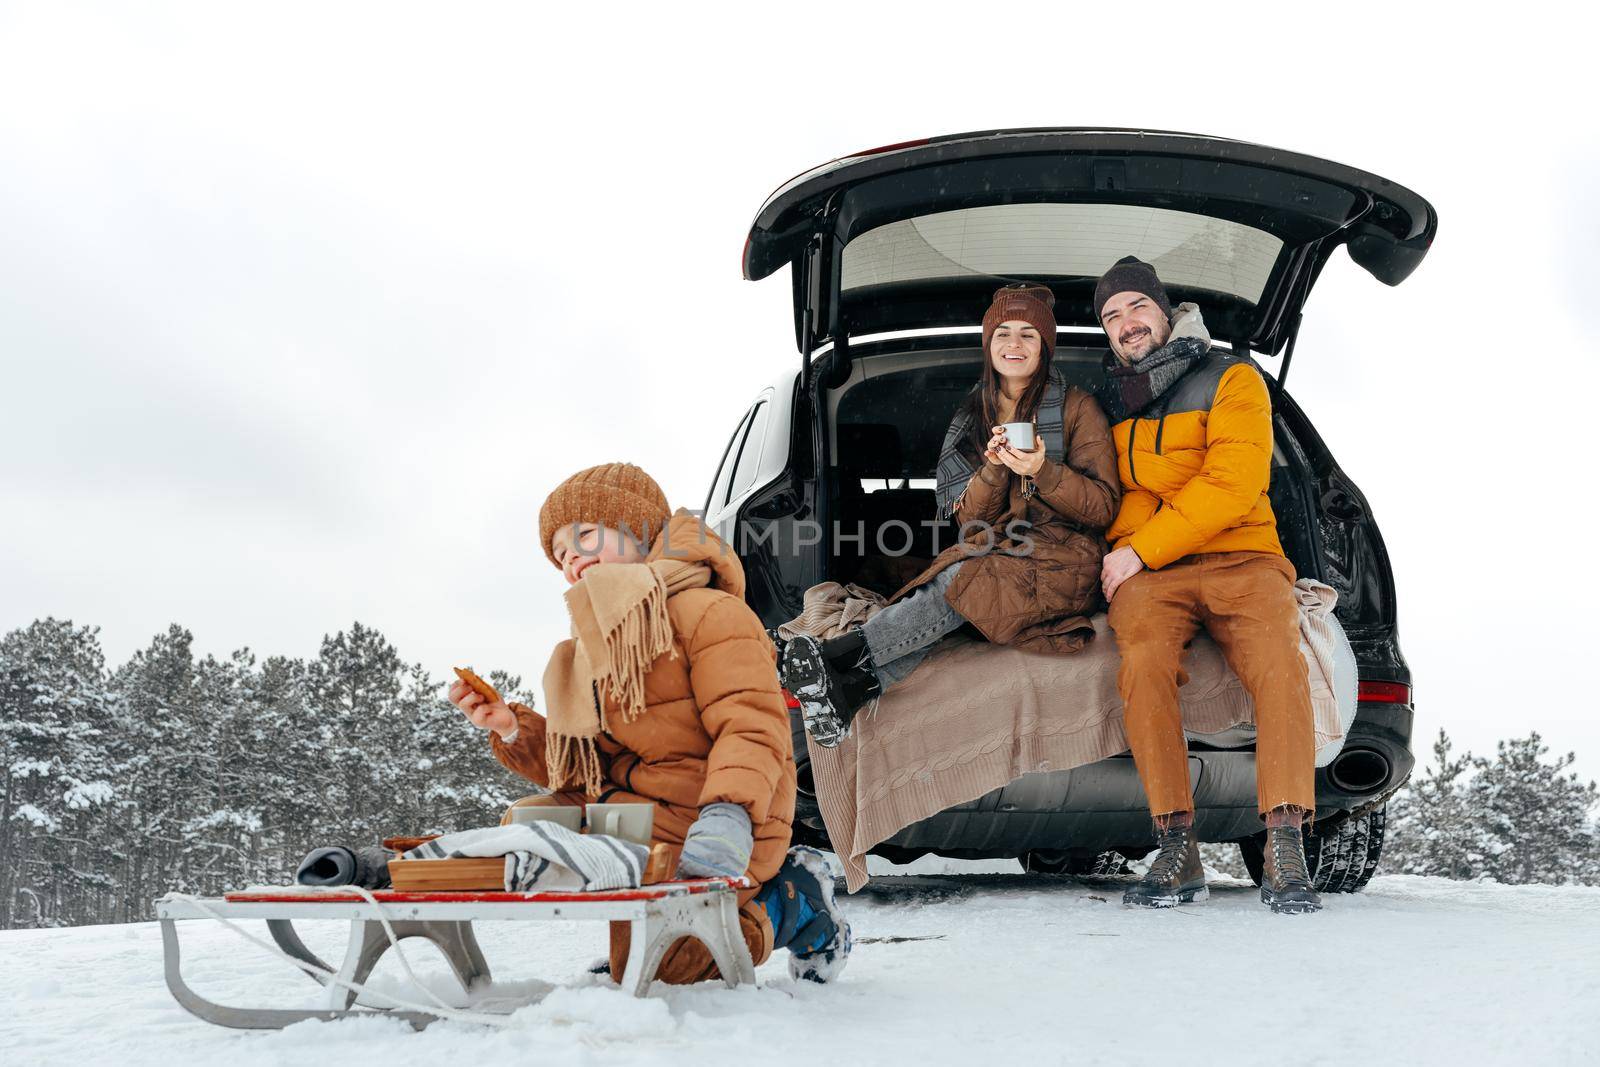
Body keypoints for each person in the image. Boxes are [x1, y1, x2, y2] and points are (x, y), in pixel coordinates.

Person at [447, 462, 851, 982]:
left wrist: (728, 816)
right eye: (562, 556)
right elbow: (588, 770)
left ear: (637, 529)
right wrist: (510, 727)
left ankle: (792, 903)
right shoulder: (599, 642)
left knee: (671, 967)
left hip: (722, 817)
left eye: (586, 537)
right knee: (526, 828)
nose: (573, 561)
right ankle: (639, 926)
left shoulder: (708, 613)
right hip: (643, 815)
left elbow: (750, 727)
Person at [782, 283, 1120, 746]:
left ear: (1045, 346)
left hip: (1067, 560)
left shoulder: (1079, 407)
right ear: (989, 344)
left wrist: (1042, 469)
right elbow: (969, 520)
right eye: (1003, 333)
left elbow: (1103, 507)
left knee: (961, 581)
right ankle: (850, 691)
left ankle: (837, 658)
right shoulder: (973, 413)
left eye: (1028, 335)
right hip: (999, 547)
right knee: (955, 581)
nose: (1014, 345)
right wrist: (994, 468)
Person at [1092, 256, 1322, 914]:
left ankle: (1284, 841)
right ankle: (1176, 846)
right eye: (1111, 317)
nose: (1125, 324)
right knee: (1140, 665)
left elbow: (1233, 483)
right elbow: (1114, 495)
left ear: (1165, 311)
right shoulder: (1114, 402)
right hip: (1156, 571)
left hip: (1242, 554)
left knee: (1280, 662)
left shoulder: (1232, 377)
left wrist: (1138, 547)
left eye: (1136, 307)